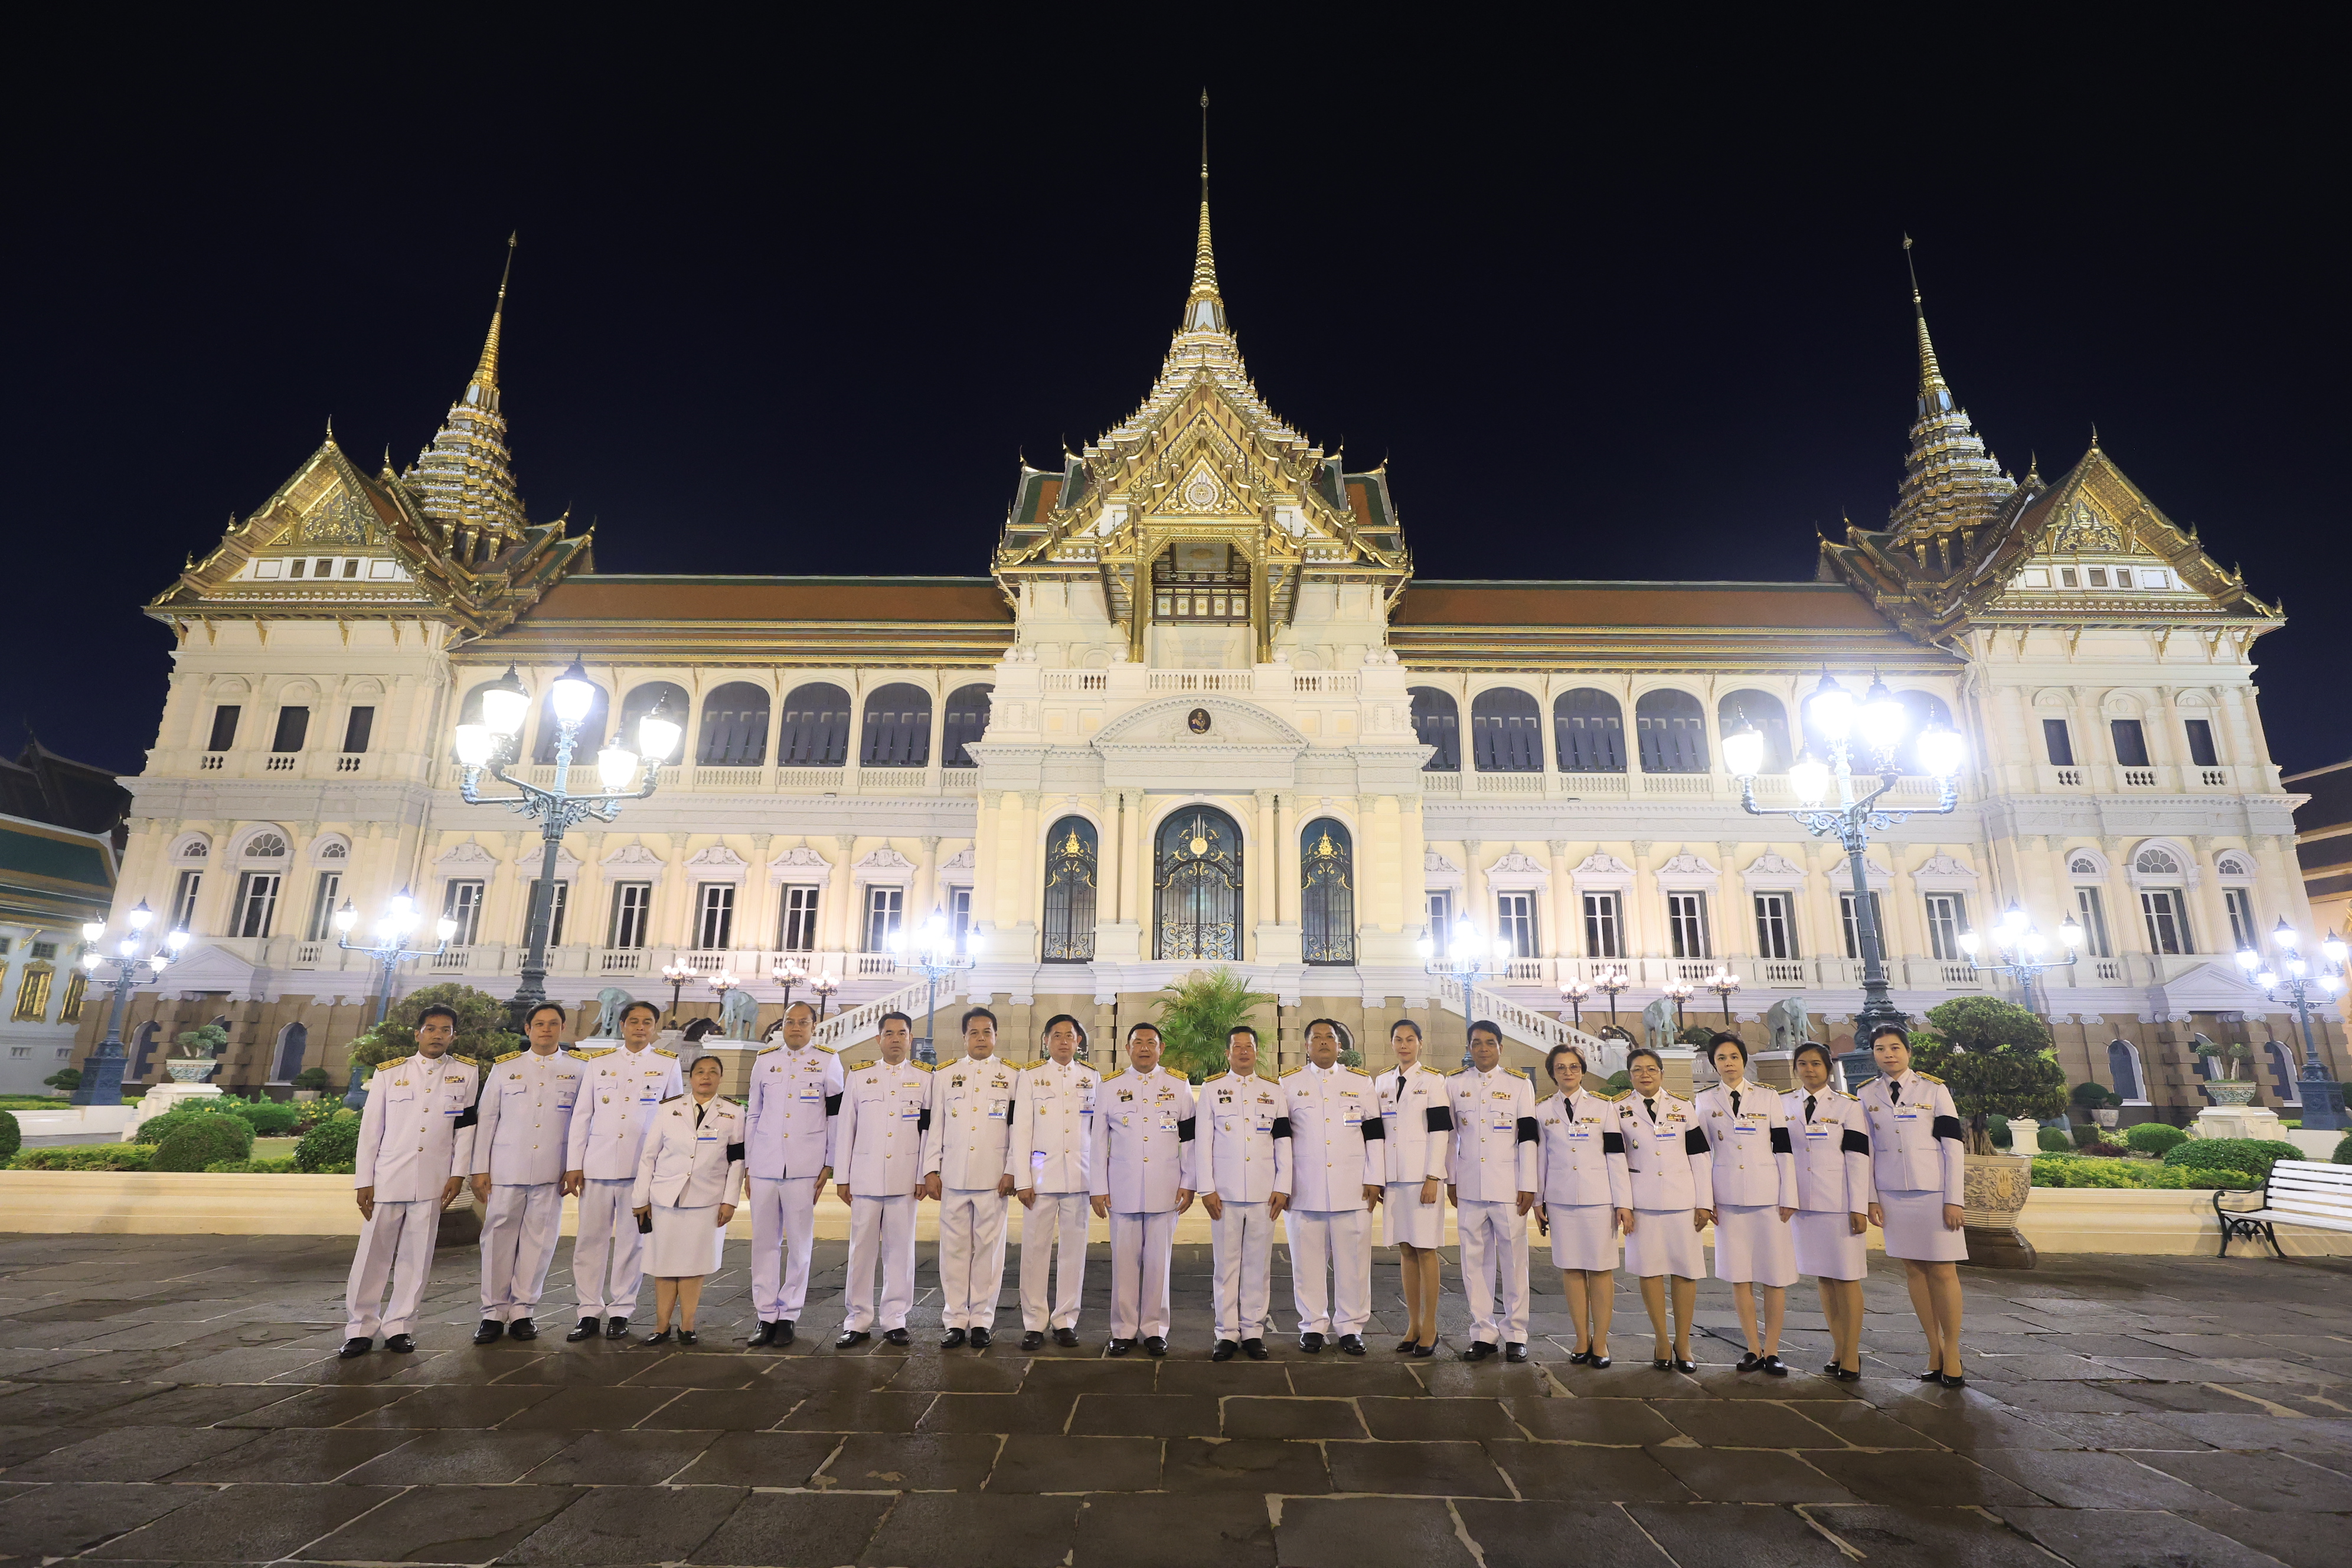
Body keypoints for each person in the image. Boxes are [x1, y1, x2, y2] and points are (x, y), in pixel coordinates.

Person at [340, 1004, 478, 1357]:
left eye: (445, 1030)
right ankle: (360, 1328)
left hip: (433, 1178)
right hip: (389, 1176)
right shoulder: (391, 1073)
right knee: (373, 1254)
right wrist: (364, 1180)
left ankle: (399, 1326)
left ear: (454, 1036)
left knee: (417, 1258)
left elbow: (465, 1128)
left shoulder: (465, 1073)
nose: (438, 1036)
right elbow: (371, 1130)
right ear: (418, 1033)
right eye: (431, 1029)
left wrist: (458, 1173)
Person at [563, 1000, 683, 1341]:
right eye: (633, 1021)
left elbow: (674, 1118)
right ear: (622, 1025)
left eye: (647, 1022)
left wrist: (666, 1170)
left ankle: (621, 1310)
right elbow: (582, 1116)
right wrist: (574, 1164)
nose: (640, 1027)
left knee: (633, 1244)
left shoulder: (667, 1064)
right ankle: (588, 1311)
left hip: (641, 1169)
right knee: (590, 1241)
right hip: (598, 1164)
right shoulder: (599, 1063)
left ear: (655, 1028)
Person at [469, 1001, 587, 1344]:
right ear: (528, 1029)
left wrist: (575, 1165)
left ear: (562, 1029)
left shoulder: (580, 1069)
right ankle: (492, 1313)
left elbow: (583, 1121)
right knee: (497, 1239)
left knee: (540, 1241)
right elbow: (487, 1119)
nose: (546, 1029)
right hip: (507, 1167)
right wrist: (479, 1168)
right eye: (539, 1024)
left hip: (553, 1168)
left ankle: (523, 1310)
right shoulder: (506, 1067)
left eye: (553, 1024)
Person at [1858, 1023, 1968, 1387]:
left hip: (1934, 1193)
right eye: (1880, 1049)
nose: (1888, 1054)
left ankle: (1953, 1350)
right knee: (1914, 1271)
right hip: (1892, 1192)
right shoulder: (1866, 1094)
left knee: (1943, 1270)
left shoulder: (1934, 1089)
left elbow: (1953, 1146)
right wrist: (1871, 1197)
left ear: (1908, 1051)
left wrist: (1954, 1199)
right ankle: (1934, 1350)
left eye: (1895, 1047)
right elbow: (1867, 1150)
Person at [1693, 1031, 1798, 1376]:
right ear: (1714, 1064)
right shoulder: (1704, 1100)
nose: (1729, 1064)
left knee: (1774, 1275)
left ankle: (1774, 1350)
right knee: (1740, 1276)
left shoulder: (1768, 1097)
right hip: (1729, 1198)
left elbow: (1783, 1147)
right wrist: (1705, 1199)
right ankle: (1753, 1348)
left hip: (1769, 1196)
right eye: (1721, 1058)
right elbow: (1701, 1155)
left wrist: (1789, 1194)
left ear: (1744, 1060)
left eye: (1734, 1057)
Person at [1089, 1021, 1195, 1356]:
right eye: (1138, 1042)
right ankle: (1123, 1330)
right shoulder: (1110, 1086)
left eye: (1151, 1042)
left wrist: (1189, 1181)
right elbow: (1098, 1141)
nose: (1145, 1048)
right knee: (1124, 1263)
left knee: (1158, 1263)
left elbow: (1189, 1139)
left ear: (1161, 1049)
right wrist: (1097, 1186)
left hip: (1166, 1187)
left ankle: (1154, 1329)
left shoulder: (1178, 1085)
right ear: (1128, 1049)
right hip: (1122, 1188)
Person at [742, 999, 842, 1347]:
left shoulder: (828, 1061)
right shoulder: (765, 1061)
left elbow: (835, 1116)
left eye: (803, 1022)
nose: (796, 1027)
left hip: (805, 1165)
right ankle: (765, 1313)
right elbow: (754, 1114)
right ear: (782, 1026)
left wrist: (829, 1163)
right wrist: (749, 1165)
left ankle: (789, 1314)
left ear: (814, 1027)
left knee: (800, 1244)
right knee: (763, 1242)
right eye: (790, 1022)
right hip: (765, 1163)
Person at [1280, 1018, 1383, 1355]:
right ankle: (1312, 1325)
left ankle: (1351, 1327)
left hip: (1352, 1188)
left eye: (1330, 1037)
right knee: (1306, 1263)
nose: (1323, 1042)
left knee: (1354, 1264)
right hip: (1304, 1189)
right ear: (1307, 1046)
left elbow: (1374, 1133)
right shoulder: (1288, 1083)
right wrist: (1282, 1183)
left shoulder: (1360, 1082)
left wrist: (1375, 1177)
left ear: (1340, 1046)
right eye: (1317, 1037)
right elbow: (1281, 1139)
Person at [631, 1054, 743, 1345]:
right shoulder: (669, 1108)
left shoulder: (733, 1113)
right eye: (700, 1072)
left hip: (707, 1200)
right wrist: (641, 1198)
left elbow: (737, 1161)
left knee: (694, 1265)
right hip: (665, 1198)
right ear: (691, 1078)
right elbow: (649, 1156)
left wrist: (730, 1200)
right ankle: (661, 1326)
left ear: (720, 1078)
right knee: (664, 1264)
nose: (706, 1077)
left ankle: (687, 1325)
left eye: (713, 1072)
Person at [835, 1012, 931, 1348]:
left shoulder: (925, 1078)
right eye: (889, 1033)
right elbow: (846, 1127)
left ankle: (895, 1319)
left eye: (902, 1033)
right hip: (865, 1177)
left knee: (900, 1251)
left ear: (911, 1038)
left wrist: (922, 1174)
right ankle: (857, 1320)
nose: (895, 1039)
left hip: (905, 1178)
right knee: (861, 1251)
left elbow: (927, 1132)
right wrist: (842, 1177)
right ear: (879, 1039)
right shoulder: (860, 1076)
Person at [1445, 1020, 1539, 1363]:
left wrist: (1528, 1183)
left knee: (1514, 1260)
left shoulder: (1519, 1084)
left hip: (1508, 1186)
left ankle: (1516, 1333)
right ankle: (1483, 1332)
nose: (1483, 1049)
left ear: (1501, 1047)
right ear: (1469, 1048)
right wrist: (1451, 1179)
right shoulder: (1454, 1084)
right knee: (1473, 1261)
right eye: (1476, 1043)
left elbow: (1528, 1137)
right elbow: (1450, 1136)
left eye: (1489, 1042)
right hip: (1470, 1184)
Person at [925, 1007, 1017, 1349]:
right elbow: (936, 1126)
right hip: (953, 1176)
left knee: (989, 1253)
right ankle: (955, 1319)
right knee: (954, 1251)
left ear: (996, 1036)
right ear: (964, 1037)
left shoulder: (1012, 1076)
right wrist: (930, 1168)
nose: (981, 1038)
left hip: (993, 1178)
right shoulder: (946, 1074)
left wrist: (1012, 1169)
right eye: (974, 1033)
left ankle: (981, 1320)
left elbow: (1017, 1129)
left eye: (987, 1032)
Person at [1533, 1043, 1629, 1368]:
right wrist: (1538, 1200)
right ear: (1552, 1073)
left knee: (1600, 1270)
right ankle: (1581, 1338)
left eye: (1574, 1066)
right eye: (1561, 1067)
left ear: (1583, 1071)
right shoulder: (1542, 1110)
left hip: (1599, 1199)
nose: (1568, 1072)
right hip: (1561, 1200)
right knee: (1572, 1269)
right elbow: (1540, 1159)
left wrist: (1623, 1202)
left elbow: (1616, 1156)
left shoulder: (1604, 1107)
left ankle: (1600, 1341)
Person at [1616, 1045, 1711, 1372]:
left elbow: (1700, 1157)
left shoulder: (1683, 1107)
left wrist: (1705, 1202)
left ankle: (1683, 1342)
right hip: (1641, 1204)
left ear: (1661, 1073)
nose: (1645, 1075)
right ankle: (1660, 1339)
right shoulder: (1618, 1110)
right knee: (1650, 1271)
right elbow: (1616, 1162)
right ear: (1630, 1075)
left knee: (1685, 1271)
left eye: (1651, 1069)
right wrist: (1624, 1205)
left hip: (1682, 1201)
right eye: (1638, 1070)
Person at [1198, 1025, 1290, 1361]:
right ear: (1228, 1053)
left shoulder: (1273, 1091)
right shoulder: (1212, 1090)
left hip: (1265, 1193)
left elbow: (1283, 1141)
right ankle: (1226, 1332)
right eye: (1237, 1047)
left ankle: (1253, 1331)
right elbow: (1203, 1143)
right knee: (1226, 1266)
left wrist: (1283, 1185)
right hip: (1225, 1193)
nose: (1243, 1052)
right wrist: (1207, 1188)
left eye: (1248, 1046)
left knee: (1258, 1265)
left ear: (1256, 1051)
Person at [1010, 1014, 1100, 1349]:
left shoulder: (1092, 1077)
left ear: (1079, 1042)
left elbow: (1098, 1133)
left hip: (1079, 1178)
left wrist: (1098, 1182)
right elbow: (1021, 1130)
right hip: (1041, 1179)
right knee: (1035, 1252)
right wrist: (1023, 1179)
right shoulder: (1031, 1076)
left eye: (1070, 1036)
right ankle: (1034, 1322)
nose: (1064, 1041)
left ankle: (1065, 1320)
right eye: (1057, 1035)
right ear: (1046, 1040)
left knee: (1074, 1254)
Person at [1785, 1040, 1871, 1381]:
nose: (1810, 1070)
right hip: (1805, 1205)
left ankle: (1852, 1352)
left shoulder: (1848, 1106)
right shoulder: (1783, 1104)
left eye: (1816, 1064)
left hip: (1839, 1203)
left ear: (1828, 1068)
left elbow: (1858, 1158)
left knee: (1847, 1277)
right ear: (1795, 1068)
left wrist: (1859, 1205)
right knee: (1824, 1277)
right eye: (1803, 1064)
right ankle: (1838, 1346)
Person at [1375, 1018, 1451, 1356]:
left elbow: (1440, 1131)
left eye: (1410, 1039)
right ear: (1392, 1043)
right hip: (1394, 1178)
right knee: (1405, 1249)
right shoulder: (1382, 1081)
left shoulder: (1433, 1080)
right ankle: (1413, 1325)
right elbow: (1378, 1132)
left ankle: (1430, 1326)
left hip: (1422, 1178)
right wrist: (1379, 1177)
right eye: (1398, 1039)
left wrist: (1433, 1176)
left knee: (1426, 1249)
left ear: (1420, 1043)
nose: (1404, 1045)